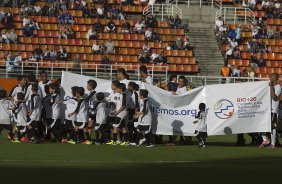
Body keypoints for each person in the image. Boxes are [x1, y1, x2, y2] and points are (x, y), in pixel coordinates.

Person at [259, 73, 281, 148]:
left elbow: (274, 97)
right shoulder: (267, 86)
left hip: (273, 110)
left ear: (277, 78)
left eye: (273, 77)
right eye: (271, 77)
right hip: (265, 109)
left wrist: (271, 86)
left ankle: (273, 144)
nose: (271, 78)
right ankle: (265, 140)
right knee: (260, 124)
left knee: (272, 127)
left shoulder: (278, 87)